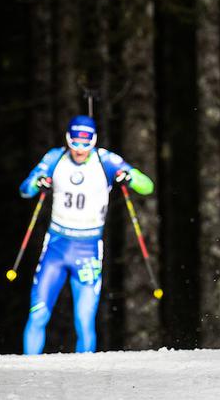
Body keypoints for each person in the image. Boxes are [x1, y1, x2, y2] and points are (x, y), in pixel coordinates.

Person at [18, 115, 154, 354]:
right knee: (38, 314)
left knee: (84, 322)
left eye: (86, 142)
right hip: (56, 247)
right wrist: (38, 183)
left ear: (94, 141)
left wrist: (129, 177)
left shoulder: (107, 160)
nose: (80, 149)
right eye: (75, 142)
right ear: (68, 139)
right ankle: (28, 374)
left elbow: (147, 186)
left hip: (87, 249)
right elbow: (25, 190)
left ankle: (85, 380)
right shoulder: (54, 157)